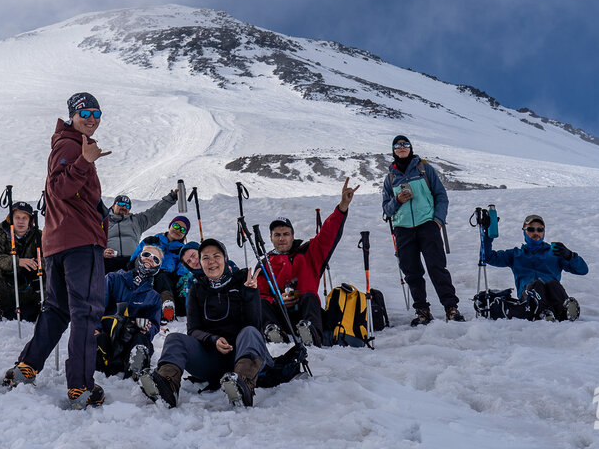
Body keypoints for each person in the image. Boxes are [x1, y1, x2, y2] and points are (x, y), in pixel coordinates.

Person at [2, 92, 110, 409]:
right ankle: (80, 387)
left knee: (58, 309)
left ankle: (27, 368)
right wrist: (85, 162)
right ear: (72, 115)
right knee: (85, 313)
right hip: (79, 245)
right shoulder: (71, 146)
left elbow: (69, 194)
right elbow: (61, 187)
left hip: (58, 244)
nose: (92, 117)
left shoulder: (70, 144)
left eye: (96, 112)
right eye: (84, 112)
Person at [139, 238, 268, 408]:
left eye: (216, 256)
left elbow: (254, 325)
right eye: (205, 258)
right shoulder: (196, 290)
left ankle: (243, 386)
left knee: (250, 332)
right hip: (211, 360)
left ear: (225, 257)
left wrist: (251, 294)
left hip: (243, 355)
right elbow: (193, 330)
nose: (211, 261)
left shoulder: (242, 280)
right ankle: (167, 386)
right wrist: (213, 340)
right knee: (174, 339)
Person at [258, 177, 358, 346]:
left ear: (292, 236)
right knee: (260, 303)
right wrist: (277, 300)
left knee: (310, 297)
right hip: (279, 312)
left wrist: (342, 207)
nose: (282, 238)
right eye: (277, 235)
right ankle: (273, 334)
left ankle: (311, 335)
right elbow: (260, 293)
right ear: (271, 238)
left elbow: (328, 233)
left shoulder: (308, 253)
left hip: (305, 311)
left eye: (285, 234)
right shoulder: (264, 263)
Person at [381, 135, 464, 324]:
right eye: (397, 145)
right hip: (403, 229)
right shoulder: (391, 178)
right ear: (393, 150)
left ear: (411, 147)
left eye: (405, 144)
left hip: (427, 225)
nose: (401, 147)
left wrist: (437, 221)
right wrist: (398, 200)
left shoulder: (424, 169)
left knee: (437, 267)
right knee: (412, 271)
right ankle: (422, 311)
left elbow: (441, 196)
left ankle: (451, 307)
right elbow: (386, 209)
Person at [479, 214, 588, 321]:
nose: (536, 233)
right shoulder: (516, 255)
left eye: (540, 230)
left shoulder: (554, 253)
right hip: (529, 298)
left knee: (553, 284)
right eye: (531, 229)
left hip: (553, 296)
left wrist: (570, 256)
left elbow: (583, 270)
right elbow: (488, 257)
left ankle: (564, 310)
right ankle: (547, 312)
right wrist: (488, 235)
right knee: (536, 285)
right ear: (524, 232)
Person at [99, 243, 164, 378]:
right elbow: (97, 305)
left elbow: (154, 325)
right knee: (100, 341)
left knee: (141, 340)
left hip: (131, 338)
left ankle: (136, 365)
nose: (150, 259)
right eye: (146, 255)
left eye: (155, 259)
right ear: (139, 257)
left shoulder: (154, 297)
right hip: (109, 333)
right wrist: (96, 327)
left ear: (158, 267)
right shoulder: (113, 279)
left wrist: (148, 328)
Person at [0, 200, 44, 321]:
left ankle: (52, 309)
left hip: (31, 289)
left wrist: (38, 264)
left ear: (30, 221)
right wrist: (16, 262)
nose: (21, 221)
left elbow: (52, 257)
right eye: (17, 217)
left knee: (52, 271)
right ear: (10, 219)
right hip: (5, 289)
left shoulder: (40, 236)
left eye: (24, 218)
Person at [104, 188, 179, 273]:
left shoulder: (137, 221)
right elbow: (93, 242)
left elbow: (154, 213)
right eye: (121, 204)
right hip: (108, 261)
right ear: (113, 206)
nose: (124, 207)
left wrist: (171, 197)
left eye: (127, 206)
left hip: (131, 261)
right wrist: (102, 252)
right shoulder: (103, 221)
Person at [173, 242, 201, 318]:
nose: (194, 261)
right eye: (189, 261)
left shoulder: (223, 266)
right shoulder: (193, 281)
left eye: (194, 255)